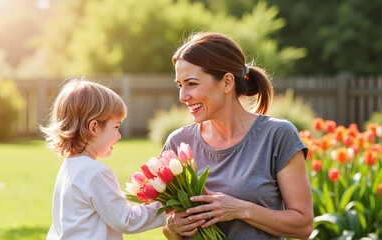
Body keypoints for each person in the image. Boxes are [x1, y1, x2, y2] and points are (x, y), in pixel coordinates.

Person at [159, 32, 313, 240]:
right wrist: (174, 226)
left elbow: (303, 225)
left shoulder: (277, 136)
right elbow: (168, 229)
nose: (182, 96)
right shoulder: (178, 143)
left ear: (227, 82)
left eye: (192, 84)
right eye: (180, 85)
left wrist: (241, 209)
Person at [42, 78, 166, 240]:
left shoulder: (70, 167)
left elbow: (113, 204)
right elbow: (125, 219)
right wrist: (165, 208)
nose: (119, 135)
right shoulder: (96, 172)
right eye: (116, 127)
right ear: (93, 127)